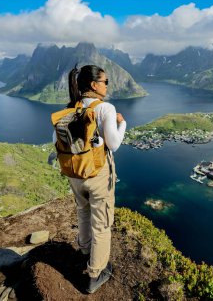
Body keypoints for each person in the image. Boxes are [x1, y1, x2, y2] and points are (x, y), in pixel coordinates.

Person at [62, 64, 126, 293]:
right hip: (98, 176)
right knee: (102, 223)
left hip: (75, 174)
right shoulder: (105, 108)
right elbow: (114, 144)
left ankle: (85, 252)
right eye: (105, 81)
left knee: (83, 212)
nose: (107, 85)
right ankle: (95, 274)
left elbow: (57, 139)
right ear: (94, 85)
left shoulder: (70, 109)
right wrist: (123, 124)